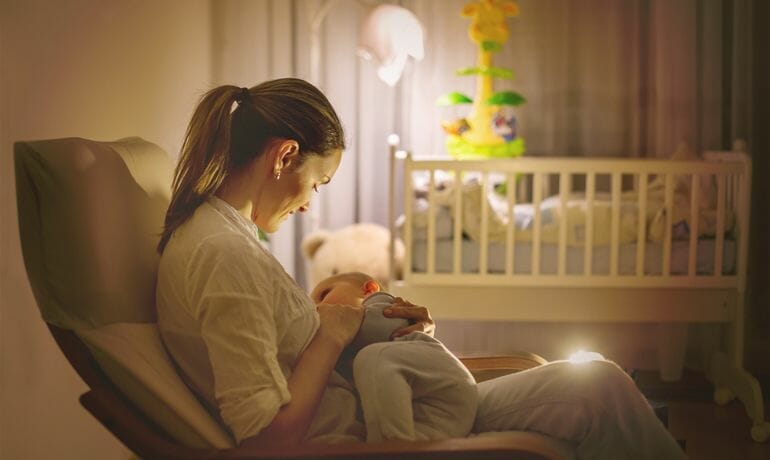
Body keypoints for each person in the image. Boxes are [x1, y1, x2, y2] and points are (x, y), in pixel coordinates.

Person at [155, 77, 686, 458]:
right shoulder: (223, 256)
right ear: (284, 156)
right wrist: (334, 336)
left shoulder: (229, 239)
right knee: (598, 399)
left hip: (392, 401)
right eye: (317, 183)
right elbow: (267, 440)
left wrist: (404, 339)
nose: (309, 204)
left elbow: (286, 353)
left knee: (599, 384)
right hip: (387, 435)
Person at [310, 272, 477, 441]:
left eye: (323, 295)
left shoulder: (384, 307)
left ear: (369, 289)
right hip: (424, 418)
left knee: (373, 358)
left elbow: (380, 329)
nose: (317, 307)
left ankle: (388, 449)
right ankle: (396, 446)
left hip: (445, 389)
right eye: (313, 305)